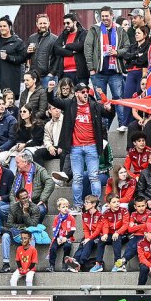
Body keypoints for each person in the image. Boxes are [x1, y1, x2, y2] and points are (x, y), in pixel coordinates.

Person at [48, 82, 115, 211]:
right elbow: (53, 100)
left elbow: (109, 114)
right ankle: (78, 205)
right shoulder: (69, 104)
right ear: (77, 93)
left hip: (92, 146)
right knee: (77, 177)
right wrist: (50, 90)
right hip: (75, 148)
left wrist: (109, 109)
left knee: (94, 176)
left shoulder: (94, 105)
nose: (85, 94)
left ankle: (96, 205)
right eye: (83, 92)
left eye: (86, 92)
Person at [10, 229, 38, 295]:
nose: (23, 240)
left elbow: (33, 263)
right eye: (21, 238)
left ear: (30, 239)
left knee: (29, 279)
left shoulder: (33, 249)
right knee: (13, 279)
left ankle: (29, 295)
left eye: (25, 238)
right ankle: (13, 295)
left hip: (30, 269)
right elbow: (18, 260)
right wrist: (20, 268)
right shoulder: (19, 248)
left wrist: (27, 269)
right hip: (22, 268)